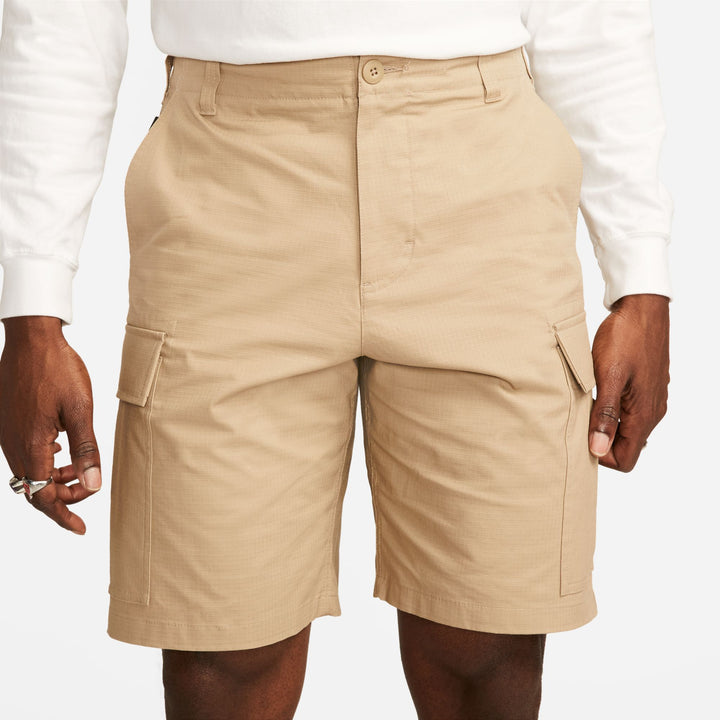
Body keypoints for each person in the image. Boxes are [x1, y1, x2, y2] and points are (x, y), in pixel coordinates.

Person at [0, 1, 672, 718]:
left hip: (484, 181)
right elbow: (62, 15)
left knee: (489, 639)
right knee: (220, 649)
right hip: (228, 185)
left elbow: (592, 14)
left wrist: (640, 275)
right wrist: (33, 310)